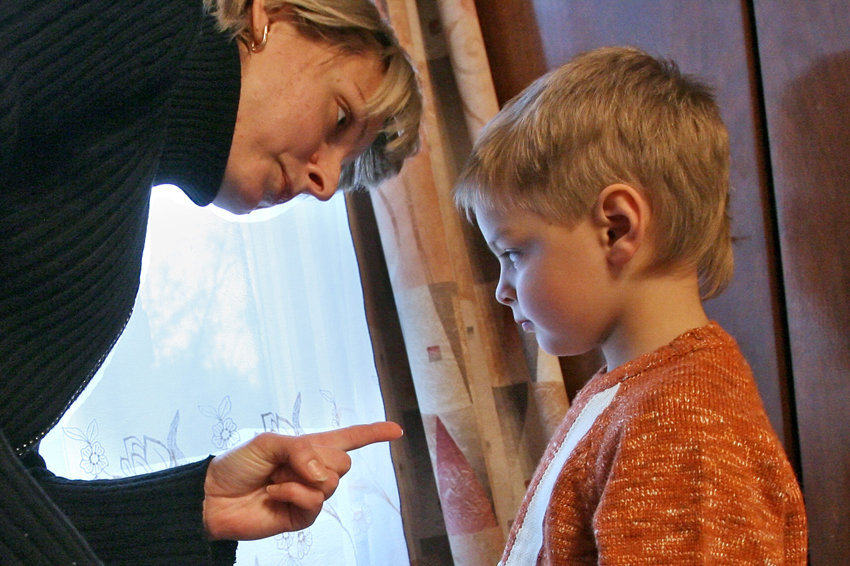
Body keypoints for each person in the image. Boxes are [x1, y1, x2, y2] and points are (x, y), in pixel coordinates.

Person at [0, 0, 422, 563]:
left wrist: (196, 509)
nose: (325, 183)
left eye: (345, 166)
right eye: (339, 119)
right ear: (269, 15)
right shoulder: (146, 17)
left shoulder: (116, 216)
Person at [453, 46, 807, 564]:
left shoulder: (683, 426)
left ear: (616, 227)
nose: (502, 289)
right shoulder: (627, 393)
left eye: (512, 253)